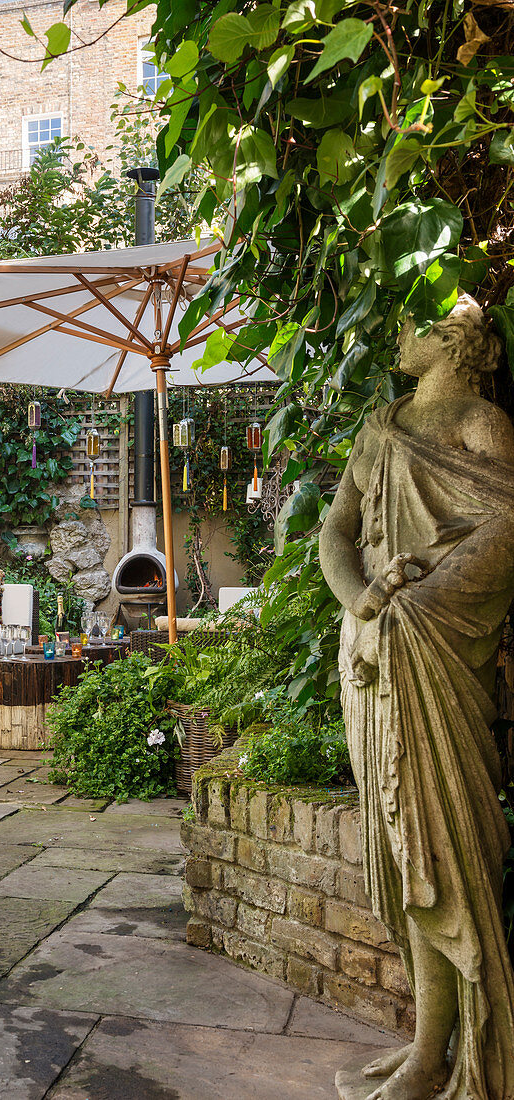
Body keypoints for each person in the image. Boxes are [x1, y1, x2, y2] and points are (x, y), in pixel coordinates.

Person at [319, 296, 514, 1100]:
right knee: (401, 848)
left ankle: (445, 1052)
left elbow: (508, 524)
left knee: (439, 846)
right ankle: (424, 1044)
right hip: (370, 649)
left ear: (454, 343)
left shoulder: (478, 421)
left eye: (413, 324)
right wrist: (362, 600)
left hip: (431, 650)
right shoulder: (380, 425)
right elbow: (334, 529)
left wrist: (421, 602)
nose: (396, 334)